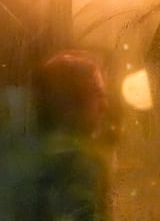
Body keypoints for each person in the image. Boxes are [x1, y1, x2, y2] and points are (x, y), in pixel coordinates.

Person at [31, 49, 112, 221]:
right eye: (97, 93)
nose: (105, 105)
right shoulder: (79, 161)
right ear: (69, 100)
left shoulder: (26, 156)